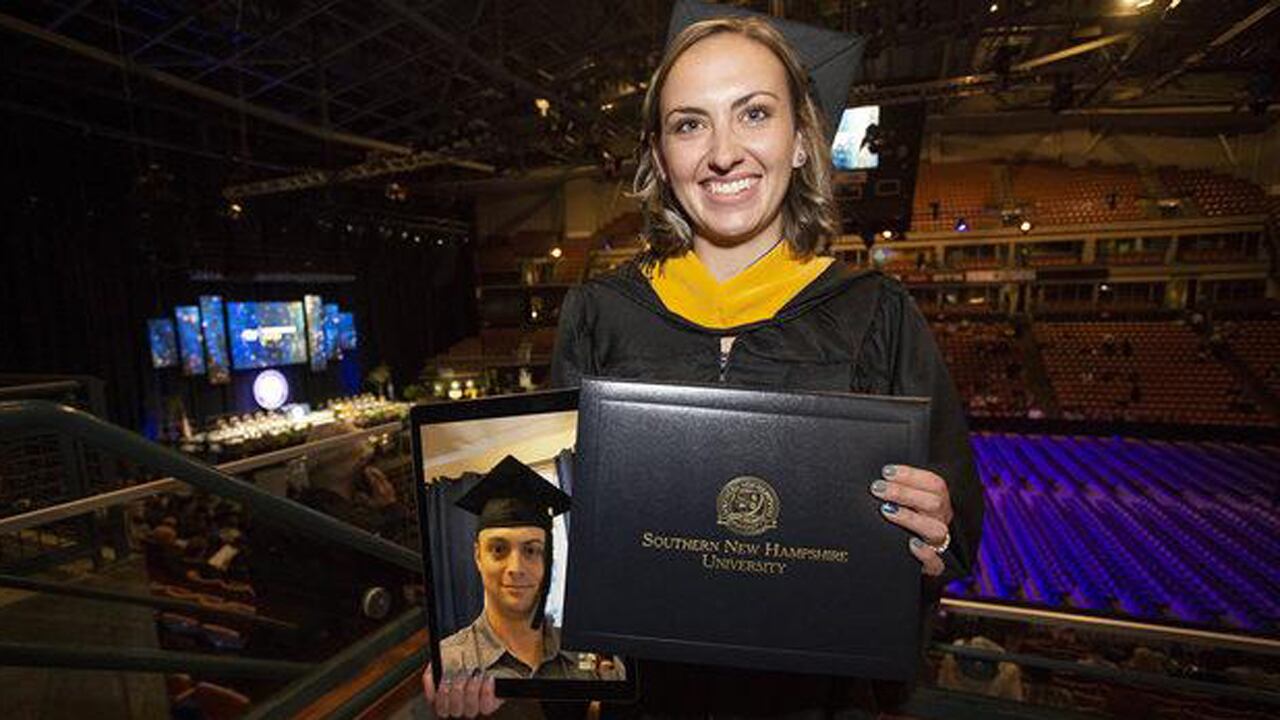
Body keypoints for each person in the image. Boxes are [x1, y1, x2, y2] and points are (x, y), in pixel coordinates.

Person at [429, 6, 983, 718]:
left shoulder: (876, 314)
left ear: (802, 141)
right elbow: (567, 531)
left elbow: (954, 523)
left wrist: (934, 530)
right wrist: (502, 667)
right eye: (690, 124)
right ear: (662, 158)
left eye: (754, 114)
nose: (723, 152)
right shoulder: (601, 314)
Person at [428, 456, 623, 719]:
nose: (516, 568)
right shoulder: (449, 666)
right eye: (498, 549)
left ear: (548, 558)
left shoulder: (581, 651)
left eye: (531, 550)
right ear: (478, 556)